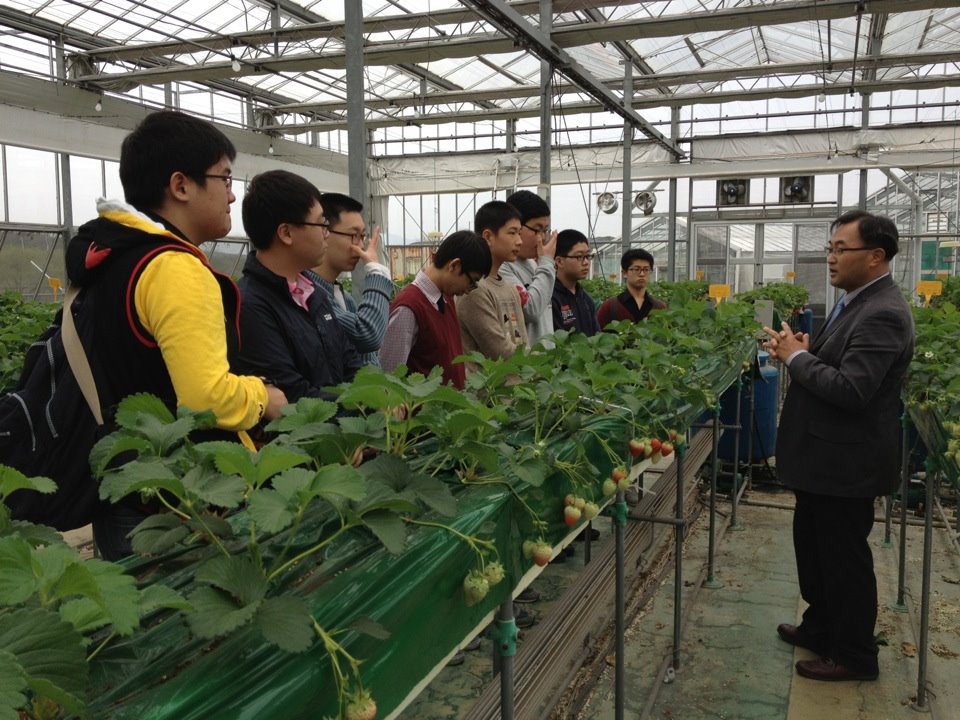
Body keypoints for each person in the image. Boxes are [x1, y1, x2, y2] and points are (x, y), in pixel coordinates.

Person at [66, 111, 286, 558]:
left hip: (126, 489)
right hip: (180, 502)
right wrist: (264, 396)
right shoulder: (174, 268)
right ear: (181, 186)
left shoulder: (112, 255)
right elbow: (205, 399)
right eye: (224, 178)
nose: (232, 194)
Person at [763, 210, 914, 683]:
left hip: (845, 463)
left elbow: (853, 389)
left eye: (840, 249)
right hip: (825, 458)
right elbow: (840, 365)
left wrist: (798, 358)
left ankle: (854, 655)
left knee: (843, 559)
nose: (830, 257)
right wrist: (808, 352)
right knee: (815, 549)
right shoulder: (856, 301)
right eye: (830, 248)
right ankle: (821, 626)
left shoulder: (884, 312)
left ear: (875, 256)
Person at [237, 170, 363, 403]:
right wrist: (366, 407)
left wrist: (375, 398)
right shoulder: (251, 306)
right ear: (286, 233)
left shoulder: (314, 294)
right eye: (320, 224)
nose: (326, 234)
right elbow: (293, 396)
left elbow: (350, 360)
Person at [379, 230, 491, 389]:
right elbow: (389, 375)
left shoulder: (446, 299)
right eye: (471, 281)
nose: (468, 290)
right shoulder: (409, 308)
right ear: (454, 265)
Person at [306, 192, 393, 367]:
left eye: (362, 237)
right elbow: (368, 334)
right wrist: (376, 272)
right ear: (324, 232)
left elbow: (367, 360)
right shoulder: (307, 295)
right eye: (353, 236)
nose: (360, 246)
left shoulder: (344, 298)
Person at [457, 201, 529, 366]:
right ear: (488, 237)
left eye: (520, 233)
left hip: (520, 380)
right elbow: (499, 351)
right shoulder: (474, 289)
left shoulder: (510, 289)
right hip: (490, 382)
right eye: (512, 233)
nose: (519, 241)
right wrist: (538, 361)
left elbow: (523, 341)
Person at [501, 190, 557, 346]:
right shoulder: (503, 268)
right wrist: (547, 263)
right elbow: (529, 311)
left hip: (545, 359)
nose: (542, 238)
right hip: (526, 360)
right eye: (537, 230)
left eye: (545, 230)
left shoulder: (533, 264)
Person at [597, 248, 667, 328]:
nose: (642, 274)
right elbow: (597, 333)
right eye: (637, 269)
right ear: (624, 273)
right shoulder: (610, 307)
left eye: (646, 269)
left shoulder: (660, 307)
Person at [551, 229, 601, 336]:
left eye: (588, 256)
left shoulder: (586, 299)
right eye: (579, 257)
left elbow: (596, 337)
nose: (586, 262)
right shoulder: (551, 298)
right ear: (559, 261)